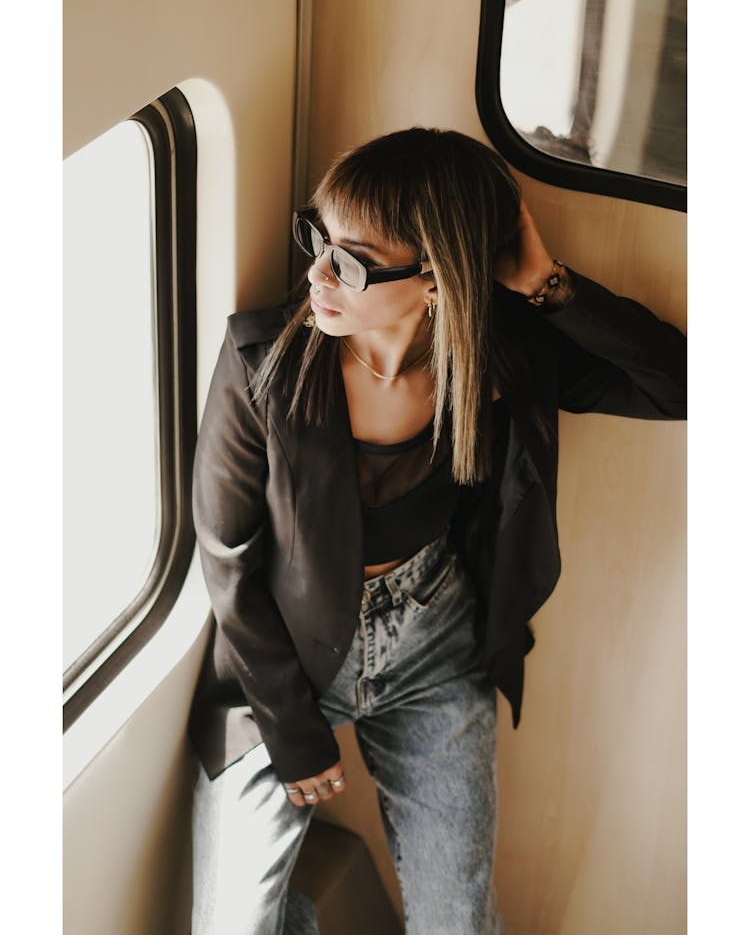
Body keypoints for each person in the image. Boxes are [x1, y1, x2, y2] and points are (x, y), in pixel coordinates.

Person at [188, 127, 686, 934]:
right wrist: (290, 727)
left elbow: (680, 384)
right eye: (316, 238)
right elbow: (228, 557)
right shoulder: (262, 359)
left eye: (350, 260)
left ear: (432, 279)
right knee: (236, 923)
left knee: (458, 920)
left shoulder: (500, 360)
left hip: (436, 642)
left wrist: (543, 282)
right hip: (280, 660)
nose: (318, 274)